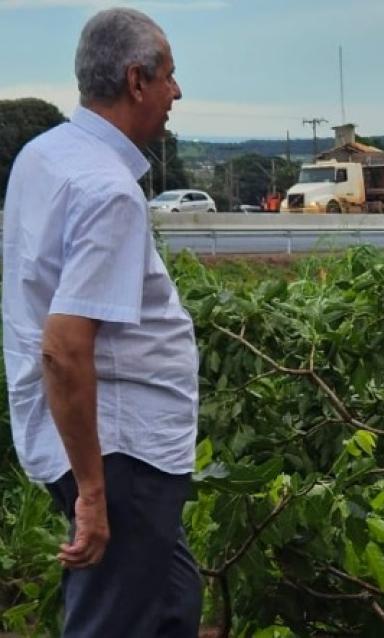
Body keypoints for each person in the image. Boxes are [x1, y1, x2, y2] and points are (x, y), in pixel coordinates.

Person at [1, 8, 201, 636]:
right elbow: (64, 348)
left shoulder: (46, 156)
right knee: (111, 620)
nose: (177, 92)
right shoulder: (107, 192)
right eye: (169, 76)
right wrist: (93, 492)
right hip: (118, 449)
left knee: (173, 596)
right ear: (136, 79)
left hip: (97, 442)